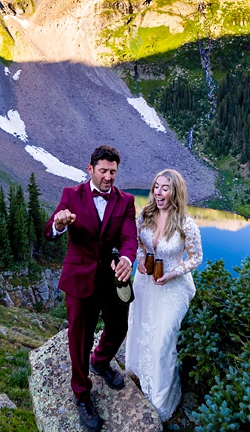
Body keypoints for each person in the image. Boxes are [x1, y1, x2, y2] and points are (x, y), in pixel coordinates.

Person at [44, 144, 138, 431]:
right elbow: (49, 231)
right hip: (79, 278)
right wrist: (59, 224)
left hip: (111, 277)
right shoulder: (70, 195)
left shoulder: (126, 201)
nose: (109, 177)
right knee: (79, 339)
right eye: (103, 171)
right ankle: (82, 393)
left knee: (119, 327)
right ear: (90, 169)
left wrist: (126, 257)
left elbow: (129, 238)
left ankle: (100, 361)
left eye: (113, 172)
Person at [125, 168, 203, 422]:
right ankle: (139, 373)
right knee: (140, 327)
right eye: (156, 187)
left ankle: (161, 398)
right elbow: (137, 243)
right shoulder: (145, 214)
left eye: (165, 188)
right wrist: (140, 260)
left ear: (175, 192)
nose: (158, 192)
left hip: (172, 287)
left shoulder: (186, 224)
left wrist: (173, 273)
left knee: (163, 340)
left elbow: (196, 257)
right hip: (145, 282)